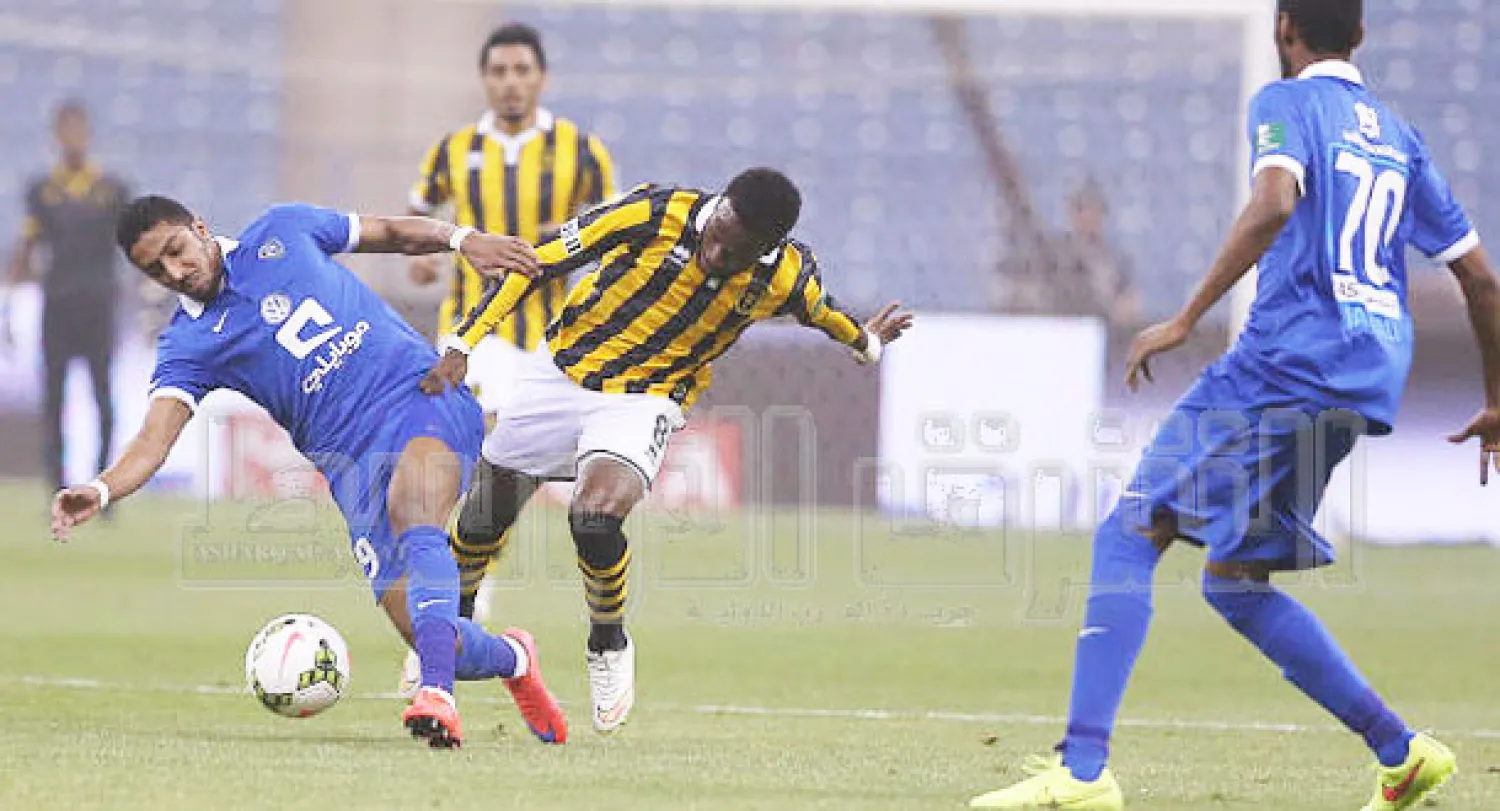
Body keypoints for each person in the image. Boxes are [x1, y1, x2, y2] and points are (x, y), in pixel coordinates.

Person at [968, 1, 1500, 809]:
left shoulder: (1284, 104)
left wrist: (1186, 317)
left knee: (1132, 528)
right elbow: (1481, 282)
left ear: (1285, 29)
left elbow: (1276, 201)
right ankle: (1403, 751)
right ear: (1360, 34)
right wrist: (1497, 399)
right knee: (1236, 579)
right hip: (1369, 371)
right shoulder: (1399, 137)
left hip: (1289, 357)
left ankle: (1081, 772)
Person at [50, 196, 570, 749]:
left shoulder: (283, 230)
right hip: (351, 470)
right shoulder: (189, 345)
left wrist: (464, 241)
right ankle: (514, 659)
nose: (175, 273)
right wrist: (101, 488)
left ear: (200, 228)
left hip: (420, 398)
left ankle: (436, 694)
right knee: (427, 630)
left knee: (415, 509)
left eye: (176, 251)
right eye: (156, 270)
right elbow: (154, 441)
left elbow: (390, 229)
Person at [422, 167, 913, 733]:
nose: (718, 250)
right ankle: (445, 647)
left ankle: (607, 641)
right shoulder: (652, 213)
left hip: (646, 400)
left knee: (595, 518)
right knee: (483, 517)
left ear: (768, 248)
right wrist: (464, 341)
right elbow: (540, 260)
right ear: (719, 204)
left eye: (737, 249)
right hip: (561, 373)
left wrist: (868, 343)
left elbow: (825, 314)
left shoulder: (785, 277)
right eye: (719, 231)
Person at [400, 21, 615, 689]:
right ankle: (457, 599)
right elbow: (418, 209)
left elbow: (611, 229)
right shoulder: (454, 150)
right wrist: (428, 263)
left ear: (541, 77)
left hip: (550, 339)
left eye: (522, 70)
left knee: (506, 471)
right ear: (485, 79)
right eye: (499, 72)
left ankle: (462, 589)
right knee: (465, 447)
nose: (511, 82)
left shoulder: (580, 150)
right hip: (472, 333)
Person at [4, 101, 131, 501]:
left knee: (103, 398)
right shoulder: (42, 190)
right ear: (56, 136)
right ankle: (56, 489)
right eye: (65, 130)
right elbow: (28, 245)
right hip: (57, 305)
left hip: (98, 303)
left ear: (87, 135)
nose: (72, 138)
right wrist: (8, 294)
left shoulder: (113, 190)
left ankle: (103, 488)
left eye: (78, 130)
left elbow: (132, 244)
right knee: (53, 399)